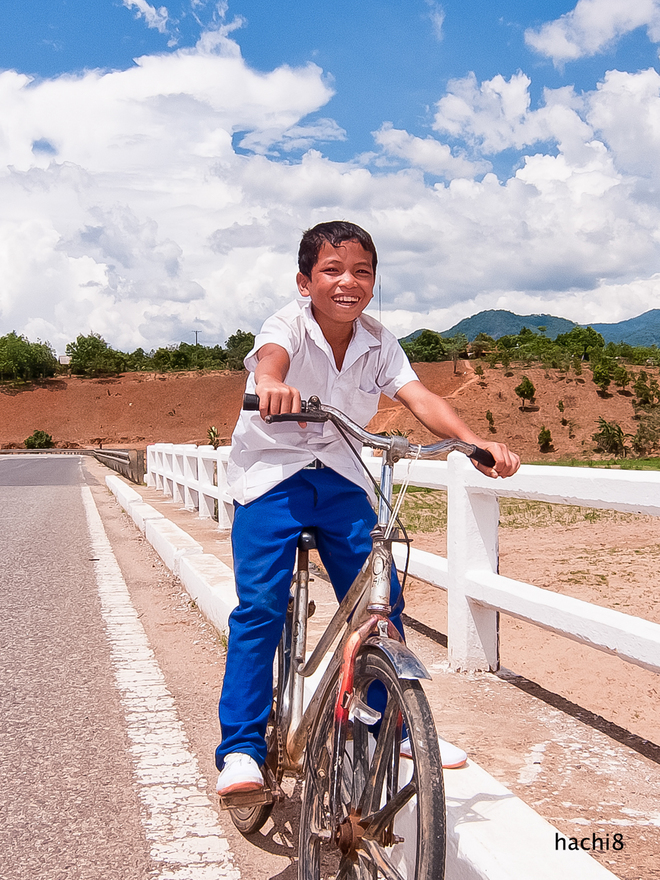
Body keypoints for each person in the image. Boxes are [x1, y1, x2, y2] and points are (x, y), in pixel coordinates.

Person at [216, 220, 520, 795]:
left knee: (383, 602)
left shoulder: (379, 340)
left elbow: (420, 396)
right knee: (259, 608)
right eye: (332, 270)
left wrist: (472, 443)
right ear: (305, 282)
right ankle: (242, 751)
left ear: (374, 281)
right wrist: (272, 384)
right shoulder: (287, 324)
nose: (347, 282)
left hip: (339, 478)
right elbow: (270, 362)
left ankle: (393, 727)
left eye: (361, 272)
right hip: (270, 477)